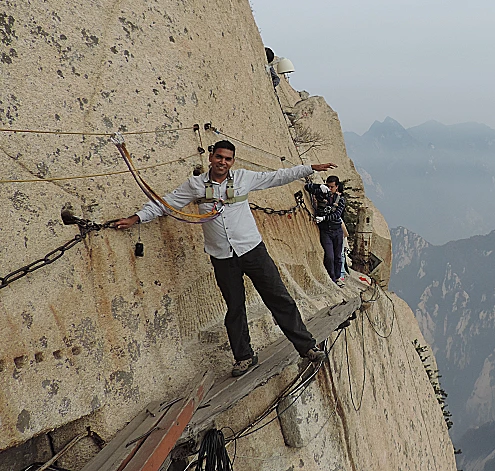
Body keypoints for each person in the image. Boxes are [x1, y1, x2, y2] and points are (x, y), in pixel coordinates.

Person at [113, 140, 336, 377]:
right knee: (235, 308)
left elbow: (277, 177)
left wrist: (310, 168)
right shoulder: (195, 185)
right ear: (211, 157)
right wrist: (136, 218)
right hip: (222, 257)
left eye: (228, 159)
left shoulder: (243, 178)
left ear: (233, 161)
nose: (223, 162)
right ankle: (244, 357)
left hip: (252, 250)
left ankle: (307, 347)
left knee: (279, 298)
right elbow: (165, 204)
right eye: (219, 157)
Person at [305, 176, 346, 286]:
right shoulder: (321, 193)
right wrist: (320, 186)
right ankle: (332, 278)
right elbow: (307, 187)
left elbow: (337, 214)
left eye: (332, 186)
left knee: (338, 256)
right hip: (325, 231)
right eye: (328, 185)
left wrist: (324, 218)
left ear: (336, 187)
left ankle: (337, 277)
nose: (330, 188)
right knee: (329, 256)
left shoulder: (340, 199)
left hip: (336, 230)